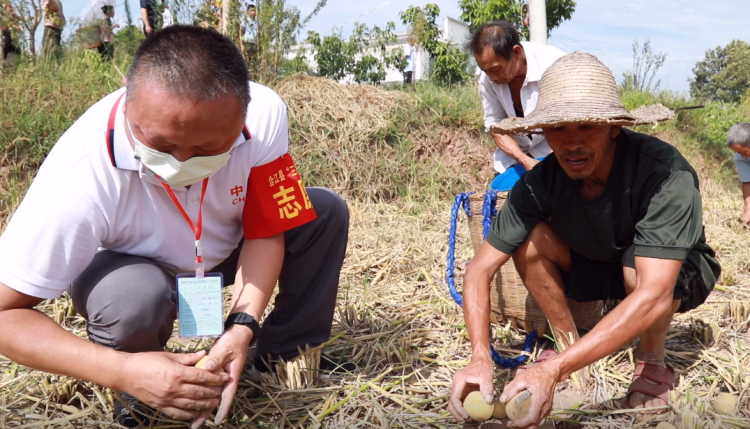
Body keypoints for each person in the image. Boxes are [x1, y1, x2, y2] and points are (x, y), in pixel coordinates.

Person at [0, 25, 349, 428]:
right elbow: (5, 314)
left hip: (221, 253)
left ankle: (282, 359)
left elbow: (266, 228)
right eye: (162, 146)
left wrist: (241, 326)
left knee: (322, 212)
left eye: (206, 149)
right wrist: (122, 371)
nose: (181, 164)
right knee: (132, 297)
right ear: (129, 106)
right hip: (134, 269)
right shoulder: (81, 173)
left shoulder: (266, 114)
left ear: (241, 118)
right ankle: (142, 389)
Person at [448, 52, 720, 429]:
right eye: (557, 129)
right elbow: (478, 271)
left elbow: (655, 290)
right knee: (528, 240)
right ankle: (566, 342)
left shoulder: (665, 173)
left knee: (635, 267)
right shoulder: (539, 183)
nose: (571, 143)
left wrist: (553, 373)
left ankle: (653, 360)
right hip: (597, 258)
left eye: (586, 127)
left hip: (665, 272)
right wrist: (480, 357)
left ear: (613, 127)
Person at [466, 20, 565, 175]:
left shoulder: (556, 64)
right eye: (485, 71)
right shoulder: (487, 79)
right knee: (504, 196)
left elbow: (572, 121)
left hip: (556, 152)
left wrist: (555, 160)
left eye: (496, 69)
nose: (491, 78)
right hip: (513, 159)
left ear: (517, 53)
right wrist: (524, 160)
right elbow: (495, 124)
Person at [728, 122, 750, 224]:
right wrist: (747, 210)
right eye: (738, 152)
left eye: (744, 152)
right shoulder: (740, 157)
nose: (741, 156)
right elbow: (747, 181)